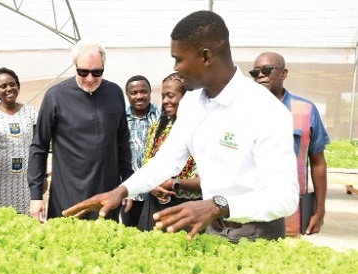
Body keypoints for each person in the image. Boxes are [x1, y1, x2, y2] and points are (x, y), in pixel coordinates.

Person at [63, 11, 299, 243]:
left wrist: (220, 206)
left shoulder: (265, 109)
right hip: (211, 229)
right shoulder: (192, 104)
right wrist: (122, 191)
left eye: (179, 59)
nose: (175, 68)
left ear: (206, 57)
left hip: (257, 235)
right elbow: (167, 161)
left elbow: (284, 197)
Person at [28, 39, 133, 222]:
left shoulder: (115, 93)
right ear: (74, 65)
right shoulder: (56, 96)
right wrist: (36, 196)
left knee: (106, 245)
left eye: (97, 72)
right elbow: (39, 146)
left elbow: (122, 143)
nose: (90, 78)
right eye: (83, 71)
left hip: (106, 192)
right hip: (67, 193)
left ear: (103, 66)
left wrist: (128, 186)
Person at [251, 52, 330, 236]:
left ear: (284, 73)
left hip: (290, 209)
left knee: (284, 260)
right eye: (255, 72)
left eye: (266, 70)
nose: (260, 75)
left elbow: (318, 162)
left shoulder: (306, 109)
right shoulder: (244, 110)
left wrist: (319, 211)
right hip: (249, 206)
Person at [137, 72, 202, 231]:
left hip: (188, 210)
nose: (165, 101)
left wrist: (175, 184)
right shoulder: (156, 130)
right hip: (155, 207)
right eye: (163, 96)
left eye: (171, 96)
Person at [0, 67, 38, 215]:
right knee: (1, 223)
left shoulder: (32, 113)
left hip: (26, 182)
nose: (9, 89)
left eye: (12, 84)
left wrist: (41, 177)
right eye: (3, 86)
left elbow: (38, 147)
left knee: (28, 223)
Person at [123, 75, 160, 227]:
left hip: (155, 193)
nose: (139, 96)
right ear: (127, 95)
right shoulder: (120, 120)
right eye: (134, 93)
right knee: (130, 236)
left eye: (143, 91)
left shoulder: (161, 117)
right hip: (130, 193)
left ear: (150, 92)